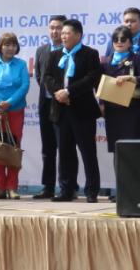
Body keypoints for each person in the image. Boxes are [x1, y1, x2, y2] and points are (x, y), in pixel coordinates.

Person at [43, 19, 102, 203]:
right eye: (62, 33)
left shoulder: (90, 54)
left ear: (78, 36)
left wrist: (69, 92)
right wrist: (59, 93)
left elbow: (91, 78)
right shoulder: (55, 55)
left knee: (87, 152)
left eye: (67, 33)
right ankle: (67, 190)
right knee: (65, 153)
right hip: (60, 111)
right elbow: (47, 77)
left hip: (82, 111)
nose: (63, 36)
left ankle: (91, 191)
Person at [100, 26, 140, 202]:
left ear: (130, 42)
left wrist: (129, 78)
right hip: (113, 112)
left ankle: (134, 191)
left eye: (123, 39)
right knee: (117, 151)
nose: (119, 42)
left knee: (131, 150)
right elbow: (99, 85)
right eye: (116, 39)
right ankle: (121, 190)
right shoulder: (106, 62)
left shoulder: (136, 59)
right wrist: (101, 104)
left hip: (132, 111)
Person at [33, 15, 79, 200]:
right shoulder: (41, 50)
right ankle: (48, 187)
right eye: (51, 28)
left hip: (65, 105)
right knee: (48, 149)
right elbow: (39, 76)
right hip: (47, 104)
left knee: (67, 148)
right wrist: (53, 93)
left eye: (58, 28)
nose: (55, 31)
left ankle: (69, 187)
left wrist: (61, 94)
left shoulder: (72, 51)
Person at [0, 33, 30, 199]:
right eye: (7, 45)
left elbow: (24, 86)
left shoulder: (21, 64)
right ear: (0, 47)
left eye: (13, 45)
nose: (10, 48)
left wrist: (9, 103)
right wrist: (0, 105)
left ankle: (12, 188)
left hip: (15, 111)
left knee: (13, 148)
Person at [105, 7, 140, 79]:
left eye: (133, 21)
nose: (129, 24)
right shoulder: (113, 43)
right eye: (126, 21)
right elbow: (106, 66)